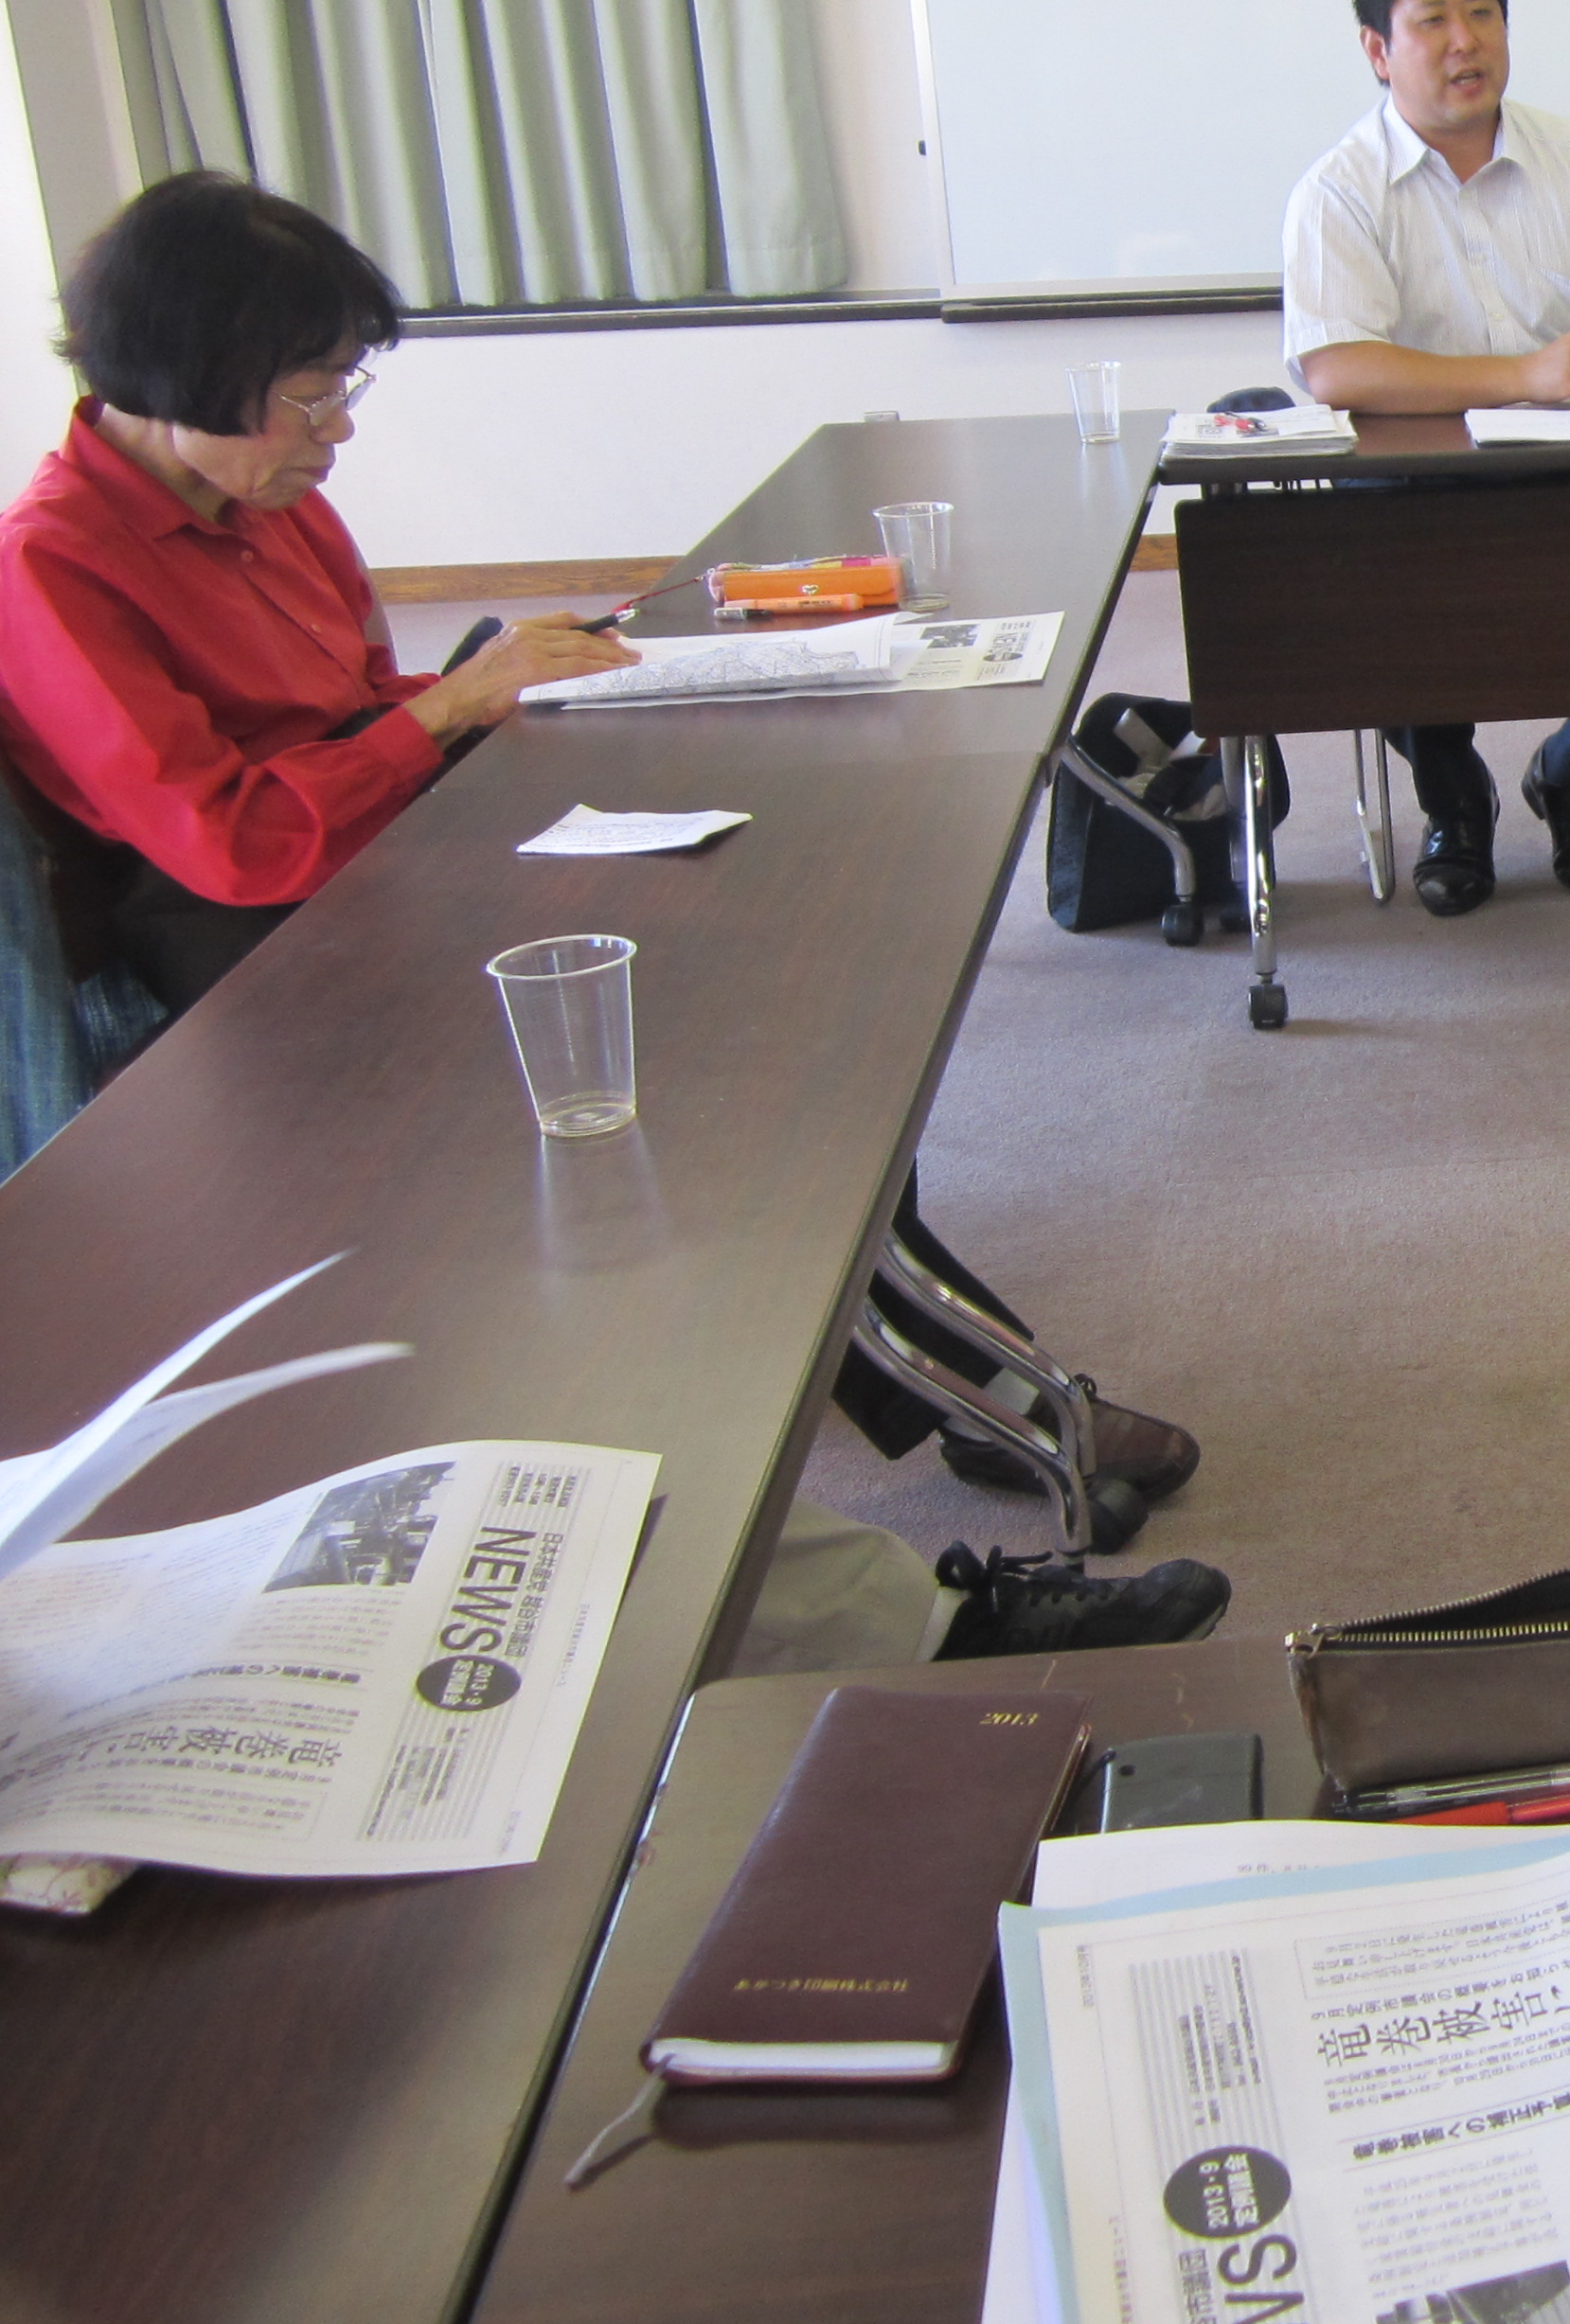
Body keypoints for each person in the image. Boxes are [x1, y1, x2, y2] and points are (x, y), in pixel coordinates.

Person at [0, 172, 1222, 1661]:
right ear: (184, 378)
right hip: (281, 978)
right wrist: (450, 706)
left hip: (407, 868)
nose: (336, 435)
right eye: (310, 397)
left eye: (343, 391)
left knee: (780, 1004)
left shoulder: (275, 505)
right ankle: (995, 1417)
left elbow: (353, 707)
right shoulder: (51, 565)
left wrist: (509, 676)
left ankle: (988, 1400)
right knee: (719, 1080)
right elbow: (235, 839)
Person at [1283, 0, 1570, 915]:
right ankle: (1453, 800)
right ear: (1378, 50)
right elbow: (1337, 367)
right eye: (1431, 21)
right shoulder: (1339, 192)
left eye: (1481, 13)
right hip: (1415, 492)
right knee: (1366, 577)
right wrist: (1522, 374)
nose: (1463, 42)